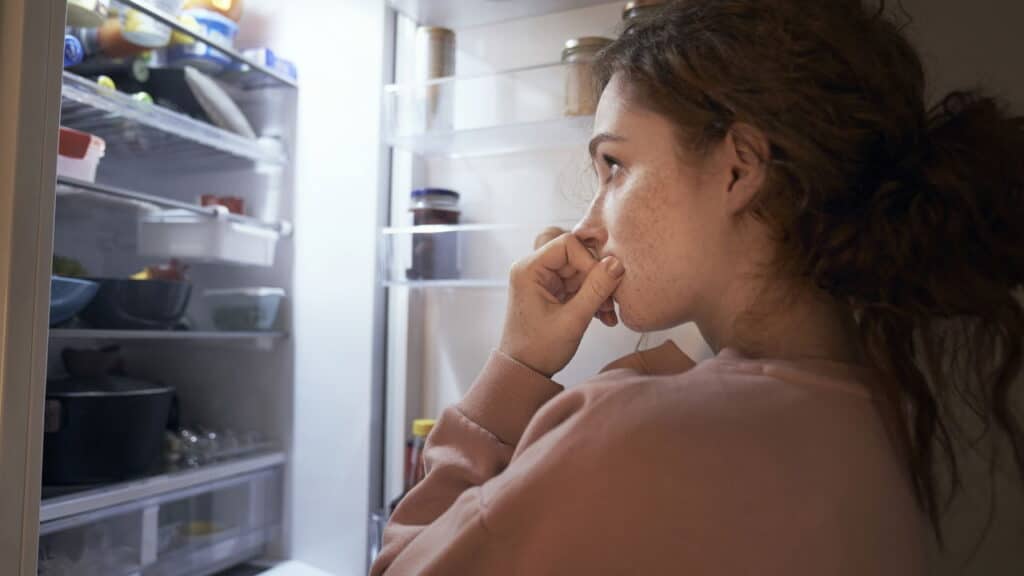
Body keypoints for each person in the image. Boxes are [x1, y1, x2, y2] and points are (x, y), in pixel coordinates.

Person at [371, 0, 1024, 573]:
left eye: (615, 165)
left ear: (739, 170)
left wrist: (515, 366)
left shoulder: (632, 432)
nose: (589, 226)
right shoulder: (873, 410)